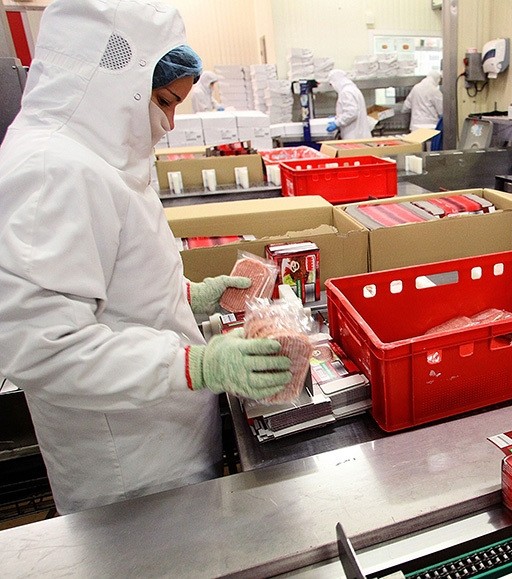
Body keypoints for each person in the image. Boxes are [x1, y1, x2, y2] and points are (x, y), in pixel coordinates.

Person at [0, 0, 295, 515]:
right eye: (162, 100)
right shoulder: (52, 170)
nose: (169, 120)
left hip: (165, 431)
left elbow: (111, 281)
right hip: (126, 463)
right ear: (119, 83)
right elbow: (44, 350)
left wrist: (191, 296)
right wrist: (197, 363)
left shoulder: (102, 158)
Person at [326, 69, 372, 139]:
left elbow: (351, 113)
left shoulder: (346, 92)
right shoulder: (352, 89)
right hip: (359, 135)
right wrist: (338, 117)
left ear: (336, 81)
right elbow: (352, 110)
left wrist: (337, 123)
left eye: (331, 84)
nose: (333, 87)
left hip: (354, 136)